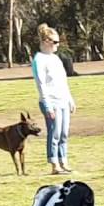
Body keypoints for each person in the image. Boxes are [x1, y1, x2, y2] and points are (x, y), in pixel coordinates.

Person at [32, 23, 76, 175]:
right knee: (55, 133)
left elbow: (63, 81)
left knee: (64, 133)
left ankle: (63, 161)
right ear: (46, 42)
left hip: (63, 100)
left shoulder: (56, 59)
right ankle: (54, 163)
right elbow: (41, 84)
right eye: (55, 42)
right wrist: (48, 106)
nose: (57, 45)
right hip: (51, 102)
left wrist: (70, 99)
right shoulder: (39, 60)